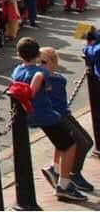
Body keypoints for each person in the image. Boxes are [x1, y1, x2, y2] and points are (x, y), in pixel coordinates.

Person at [10, 37, 85, 202]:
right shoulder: (40, 71)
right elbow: (36, 81)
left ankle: (56, 170)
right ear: (37, 55)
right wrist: (32, 92)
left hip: (30, 117)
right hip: (46, 115)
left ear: (18, 55)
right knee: (70, 145)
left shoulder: (17, 71)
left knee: (62, 142)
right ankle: (64, 185)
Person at [39, 46, 94, 193]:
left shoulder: (58, 78)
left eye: (43, 62)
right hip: (55, 117)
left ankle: (56, 168)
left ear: (54, 63)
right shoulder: (40, 79)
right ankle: (71, 175)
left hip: (64, 114)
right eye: (38, 62)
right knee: (79, 143)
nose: (40, 66)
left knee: (86, 141)